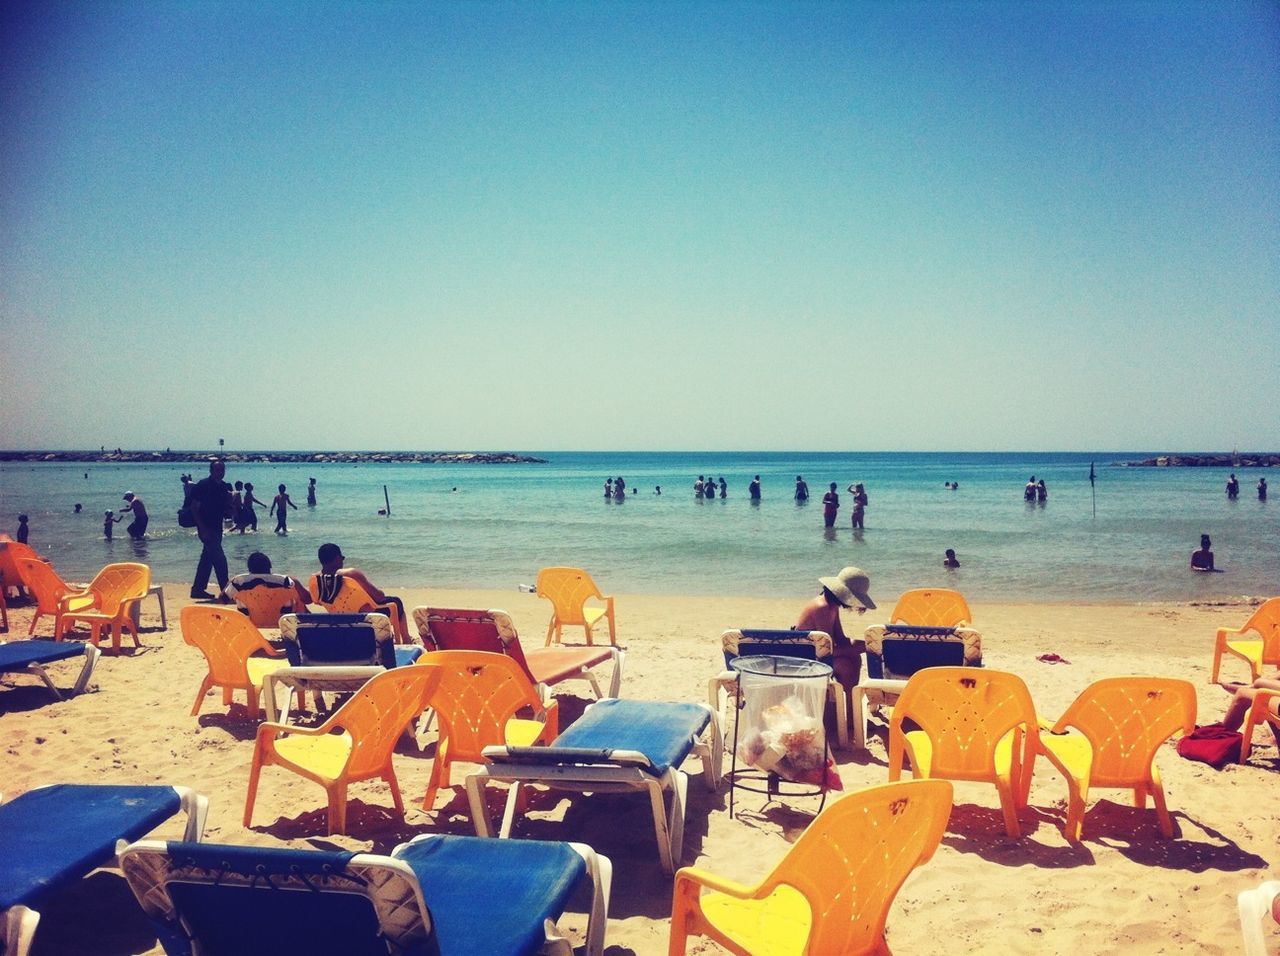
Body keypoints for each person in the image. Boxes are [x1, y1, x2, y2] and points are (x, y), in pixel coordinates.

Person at [794, 566, 876, 689]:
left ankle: (849, 704)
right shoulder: (822, 607)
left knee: (855, 658)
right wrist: (861, 647)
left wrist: (864, 645)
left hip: (818, 653)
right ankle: (848, 705)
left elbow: (840, 640)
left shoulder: (832, 606)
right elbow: (827, 651)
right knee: (845, 667)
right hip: (805, 657)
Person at [310, 542, 409, 641]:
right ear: (337, 559)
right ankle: (406, 639)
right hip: (367, 616)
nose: (342, 560)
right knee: (396, 602)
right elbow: (379, 597)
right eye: (342, 557)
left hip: (338, 618)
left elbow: (316, 601)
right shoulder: (351, 574)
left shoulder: (315, 579)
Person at [189, 458, 234, 600]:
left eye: (223, 470)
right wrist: (202, 528)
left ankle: (197, 589)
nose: (220, 472)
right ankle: (226, 592)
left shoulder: (223, 487)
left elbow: (224, 508)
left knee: (207, 560)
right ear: (211, 471)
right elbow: (194, 509)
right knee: (220, 560)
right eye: (217, 470)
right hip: (206, 527)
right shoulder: (203, 486)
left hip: (217, 527)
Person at [224, 551, 312, 614]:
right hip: (281, 620)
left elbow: (223, 600)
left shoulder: (238, 582)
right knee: (299, 598)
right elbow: (308, 600)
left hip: (250, 622)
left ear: (249, 569)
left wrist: (229, 583)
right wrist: (296, 582)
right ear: (270, 565)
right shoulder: (286, 581)